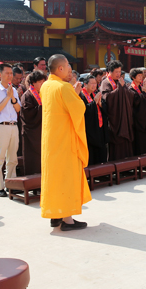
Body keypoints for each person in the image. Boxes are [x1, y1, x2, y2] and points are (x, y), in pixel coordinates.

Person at [40, 54, 90, 231]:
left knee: (53, 178)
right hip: (64, 141)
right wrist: (76, 95)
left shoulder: (45, 85)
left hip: (50, 142)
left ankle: (55, 216)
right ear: (60, 68)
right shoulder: (64, 87)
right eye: (68, 65)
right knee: (66, 178)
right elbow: (78, 109)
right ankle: (67, 220)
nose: (70, 68)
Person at [0, 63, 21, 197]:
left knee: (13, 158)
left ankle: (11, 183)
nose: (9, 76)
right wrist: (7, 96)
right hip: (1, 126)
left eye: (11, 73)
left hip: (13, 126)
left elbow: (18, 109)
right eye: (7, 73)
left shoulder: (13, 90)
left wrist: (12, 96)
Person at [100, 60, 133, 161]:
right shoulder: (106, 82)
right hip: (114, 119)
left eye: (120, 72)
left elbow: (129, 95)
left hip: (123, 117)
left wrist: (123, 88)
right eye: (116, 72)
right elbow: (108, 98)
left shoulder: (119, 82)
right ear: (110, 71)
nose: (119, 74)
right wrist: (120, 88)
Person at [20, 70, 47, 175]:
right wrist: (43, 107)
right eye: (40, 82)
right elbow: (28, 114)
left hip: (41, 129)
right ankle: (33, 182)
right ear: (33, 83)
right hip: (31, 132)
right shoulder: (27, 96)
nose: (42, 84)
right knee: (33, 158)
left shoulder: (41, 94)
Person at [80, 75, 108, 164]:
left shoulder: (95, 94)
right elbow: (83, 111)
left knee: (101, 152)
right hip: (90, 130)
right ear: (85, 84)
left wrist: (100, 104)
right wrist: (93, 103)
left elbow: (105, 108)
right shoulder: (81, 95)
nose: (94, 85)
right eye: (91, 83)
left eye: (95, 83)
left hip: (99, 128)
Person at [128, 67, 146, 156]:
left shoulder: (141, 87)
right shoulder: (131, 89)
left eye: (141, 75)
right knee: (140, 141)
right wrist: (144, 94)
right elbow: (136, 103)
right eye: (138, 76)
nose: (141, 77)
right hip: (138, 119)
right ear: (133, 77)